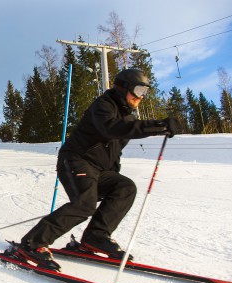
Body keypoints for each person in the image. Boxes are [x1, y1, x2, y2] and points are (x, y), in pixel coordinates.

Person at [13, 68, 180, 270]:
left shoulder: (127, 118)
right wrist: (158, 125)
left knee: (125, 187)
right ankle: (33, 243)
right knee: (85, 204)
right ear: (123, 88)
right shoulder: (103, 106)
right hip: (75, 161)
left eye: (144, 92)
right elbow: (111, 128)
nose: (140, 97)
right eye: (138, 90)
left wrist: (112, 183)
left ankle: (95, 237)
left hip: (98, 170)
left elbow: (114, 152)